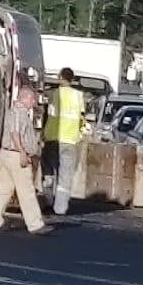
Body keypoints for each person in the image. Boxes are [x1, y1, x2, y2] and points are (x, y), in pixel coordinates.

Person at [0, 82, 48, 236]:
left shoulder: (12, 112)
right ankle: (35, 224)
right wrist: (22, 152)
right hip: (16, 155)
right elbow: (16, 133)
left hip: (6, 154)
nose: (34, 103)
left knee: (4, 189)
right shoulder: (18, 113)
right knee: (26, 189)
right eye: (32, 100)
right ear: (25, 98)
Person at [43, 66, 85, 217]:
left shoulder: (55, 94)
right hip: (70, 140)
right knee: (65, 175)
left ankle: (48, 201)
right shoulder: (79, 96)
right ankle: (60, 208)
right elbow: (82, 120)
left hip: (53, 138)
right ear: (72, 79)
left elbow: (50, 116)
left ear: (60, 78)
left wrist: (44, 134)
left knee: (49, 171)